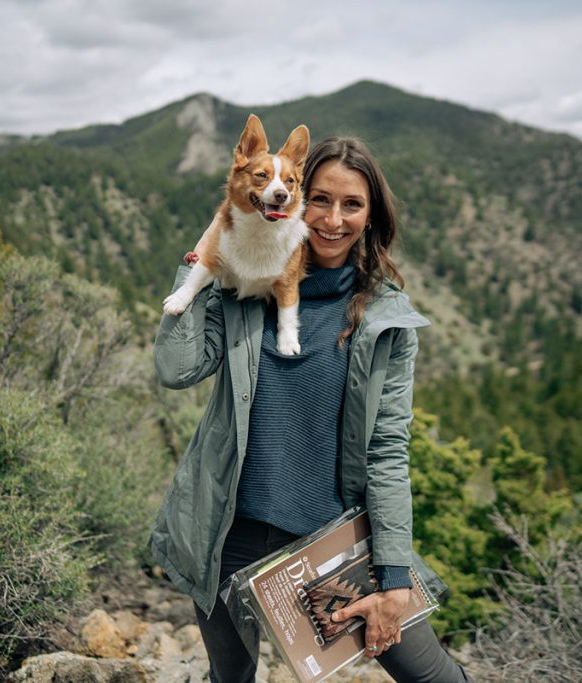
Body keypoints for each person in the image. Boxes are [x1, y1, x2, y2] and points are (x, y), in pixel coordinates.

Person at [151, 136, 472, 682]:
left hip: (332, 545)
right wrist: (208, 243)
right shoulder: (243, 290)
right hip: (231, 533)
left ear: (371, 217)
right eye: (320, 199)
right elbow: (176, 368)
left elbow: (387, 453)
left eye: (352, 205)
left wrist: (393, 575)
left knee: (431, 676)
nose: (331, 219)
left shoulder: (385, 318)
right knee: (231, 678)